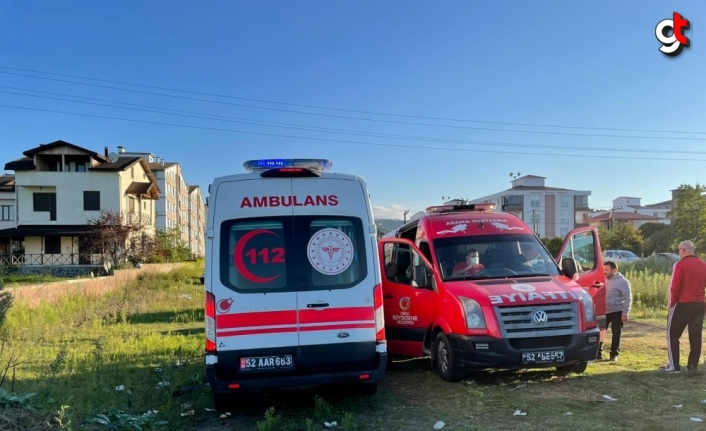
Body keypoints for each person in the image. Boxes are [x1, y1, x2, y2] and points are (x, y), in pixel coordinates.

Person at [663, 240, 706, 374]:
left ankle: (674, 366)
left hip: (683, 304)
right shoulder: (703, 264)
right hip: (699, 304)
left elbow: (674, 286)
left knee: (672, 335)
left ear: (682, 250)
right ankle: (692, 366)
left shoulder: (680, 264)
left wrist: (671, 303)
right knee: (695, 335)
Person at [600, 261, 632, 361]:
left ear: (614, 270)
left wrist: (625, 313)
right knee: (600, 332)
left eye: (606, 270)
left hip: (617, 311)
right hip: (603, 311)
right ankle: (597, 353)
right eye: (603, 269)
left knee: (616, 333)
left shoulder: (622, 282)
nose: (604, 272)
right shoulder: (601, 279)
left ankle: (614, 354)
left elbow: (628, 298)